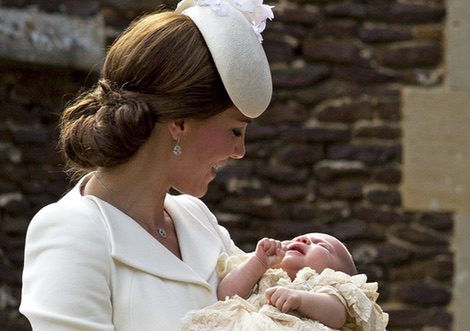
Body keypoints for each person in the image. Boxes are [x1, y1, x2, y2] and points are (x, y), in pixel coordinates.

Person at [19, 0, 274, 330]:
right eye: (234, 130)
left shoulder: (197, 220)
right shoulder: (72, 232)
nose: (239, 151)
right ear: (180, 122)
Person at [180, 233, 389, 330]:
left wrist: (300, 299)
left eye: (322, 246)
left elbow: (336, 315)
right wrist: (258, 262)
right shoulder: (262, 274)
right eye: (298, 237)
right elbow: (224, 295)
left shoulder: (327, 285)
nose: (304, 240)